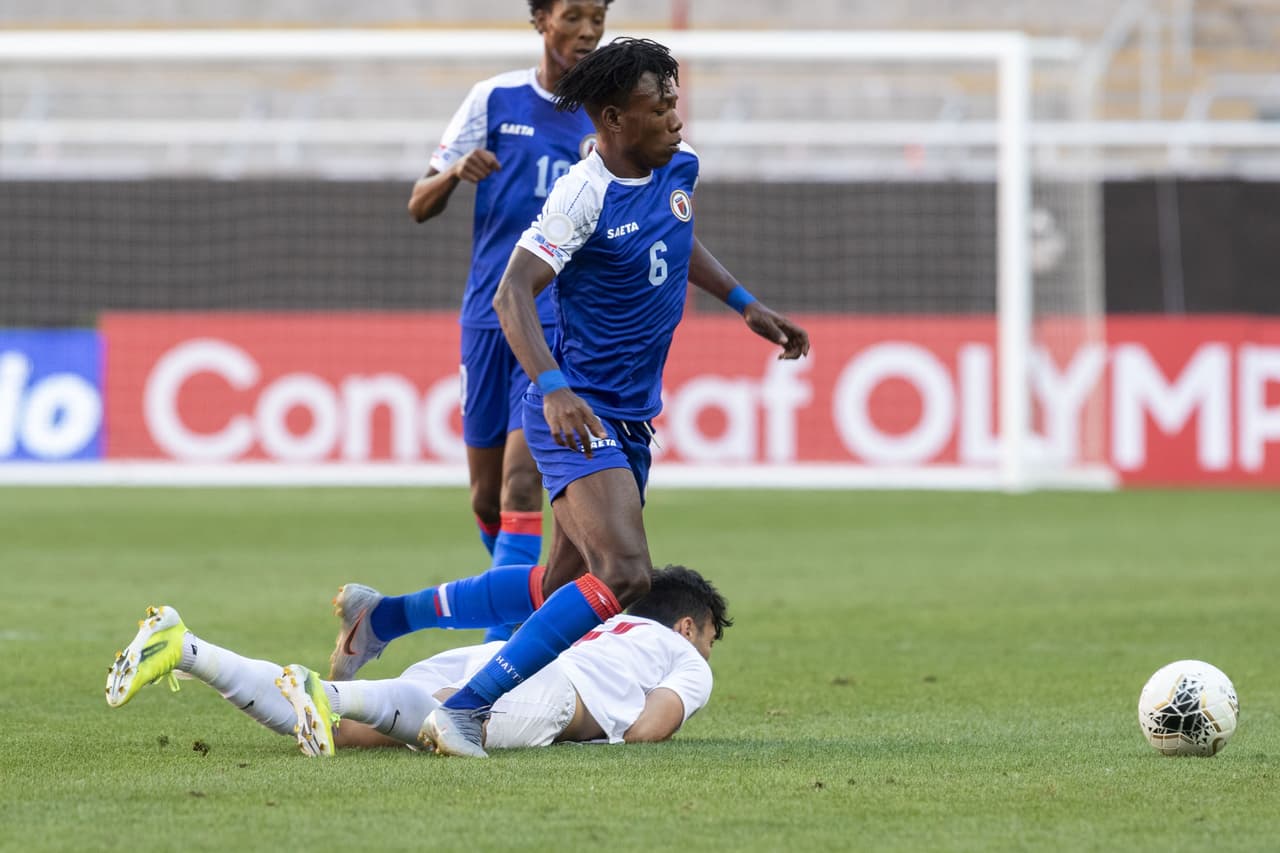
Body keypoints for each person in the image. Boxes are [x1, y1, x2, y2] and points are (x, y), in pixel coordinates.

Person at [336, 36, 808, 758]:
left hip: (629, 416)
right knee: (624, 574)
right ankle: (463, 708)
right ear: (615, 118)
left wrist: (745, 303)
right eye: (661, 106)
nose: (677, 118)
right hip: (577, 409)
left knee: (562, 581)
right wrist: (553, 389)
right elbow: (511, 291)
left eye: (676, 101)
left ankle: (384, 617)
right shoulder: (580, 195)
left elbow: (677, 237)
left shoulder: (678, 167)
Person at [399, 0, 612, 646]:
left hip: (554, 320)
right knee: (486, 498)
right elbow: (417, 202)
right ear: (541, 19)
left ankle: (503, 649)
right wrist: (456, 173)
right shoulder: (492, 100)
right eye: (574, 16)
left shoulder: (607, 111)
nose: (588, 31)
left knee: (525, 480)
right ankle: (525, 607)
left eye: (599, 17)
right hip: (486, 317)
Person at [104, 566, 729, 756]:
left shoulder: (603, 616)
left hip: (499, 657)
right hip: (548, 694)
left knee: (349, 736)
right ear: (686, 625)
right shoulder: (687, 656)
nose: (705, 653)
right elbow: (649, 729)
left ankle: (187, 649)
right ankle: (326, 694)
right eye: (708, 638)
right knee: (385, 717)